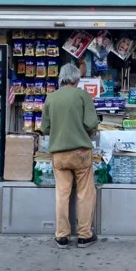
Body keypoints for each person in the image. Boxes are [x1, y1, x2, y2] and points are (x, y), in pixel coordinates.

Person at [41, 64, 99, 249]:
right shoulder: (82, 95)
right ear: (76, 79)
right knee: (85, 193)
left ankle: (62, 236)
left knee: (62, 194)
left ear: (61, 78)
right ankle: (84, 236)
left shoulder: (51, 97)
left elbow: (45, 128)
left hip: (59, 154)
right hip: (80, 153)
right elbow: (91, 123)